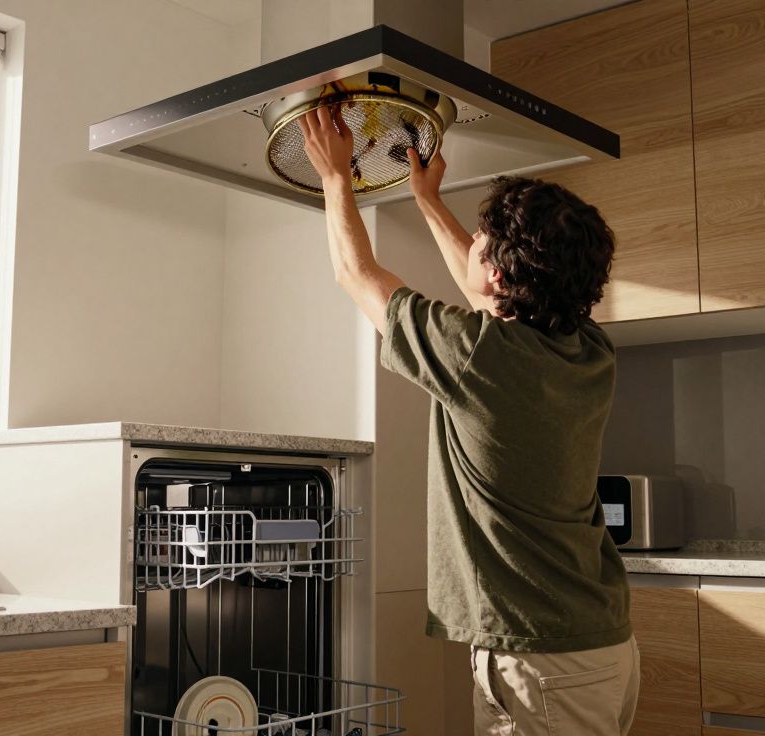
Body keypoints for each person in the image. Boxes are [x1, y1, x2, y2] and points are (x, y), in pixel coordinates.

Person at [299, 104, 638, 736]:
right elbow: (485, 284)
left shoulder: (483, 356)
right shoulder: (589, 348)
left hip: (542, 661)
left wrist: (336, 178)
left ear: (501, 272)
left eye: (482, 241)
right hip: (593, 645)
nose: (473, 245)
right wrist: (427, 200)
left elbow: (356, 274)